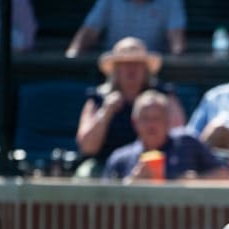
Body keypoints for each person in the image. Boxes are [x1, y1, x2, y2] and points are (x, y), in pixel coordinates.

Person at [75, 36, 187, 178]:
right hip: (107, 166)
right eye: (125, 64)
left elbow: (178, 138)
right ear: (115, 70)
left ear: (146, 69)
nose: (131, 69)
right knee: (85, 174)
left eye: (137, 64)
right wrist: (106, 112)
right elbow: (87, 147)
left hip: (159, 164)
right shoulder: (98, 99)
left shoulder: (164, 96)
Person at [103, 90, 228, 181]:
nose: (151, 125)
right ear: (134, 123)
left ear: (168, 122)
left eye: (157, 118)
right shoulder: (120, 159)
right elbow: (104, 199)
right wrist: (131, 183)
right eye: (145, 118)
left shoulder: (188, 143)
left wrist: (197, 181)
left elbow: (224, 175)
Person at [65, 0, 186, 57]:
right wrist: (72, 56)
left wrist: (177, 57)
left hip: (150, 70)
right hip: (114, 68)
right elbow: (89, 31)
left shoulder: (171, 2)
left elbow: (176, 39)